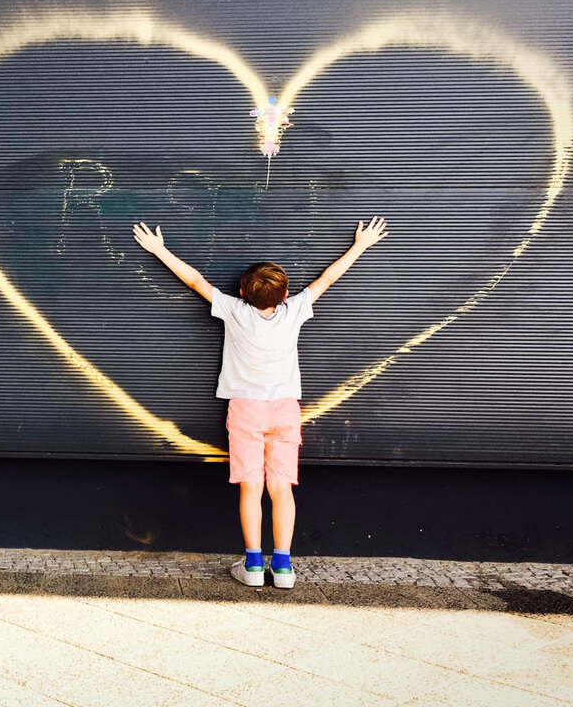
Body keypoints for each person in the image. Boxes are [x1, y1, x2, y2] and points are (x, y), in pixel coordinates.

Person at [132, 216, 389, 588]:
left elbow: (194, 280)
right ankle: (282, 568)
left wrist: (158, 250)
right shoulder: (294, 311)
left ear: (241, 291)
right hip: (285, 409)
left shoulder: (234, 311)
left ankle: (253, 567)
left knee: (250, 488)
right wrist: (360, 245)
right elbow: (327, 280)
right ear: (284, 295)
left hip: (246, 410)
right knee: (281, 489)